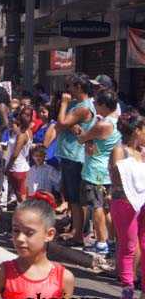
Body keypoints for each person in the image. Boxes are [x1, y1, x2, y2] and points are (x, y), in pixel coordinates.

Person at [75, 89, 122, 256]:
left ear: (104, 105)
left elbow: (82, 138)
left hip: (95, 171)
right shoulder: (116, 121)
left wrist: (79, 132)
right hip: (108, 170)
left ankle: (102, 243)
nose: (94, 105)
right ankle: (110, 241)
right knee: (106, 208)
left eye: (97, 103)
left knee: (97, 207)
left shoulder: (103, 124)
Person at [56, 73, 96, 246]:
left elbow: (62, 123)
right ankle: (75, 229)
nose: (67, 91)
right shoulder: (76, 104)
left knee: (76, 198)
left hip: (76, 156)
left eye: (70, 87)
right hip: (67, 154)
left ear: (79, 87)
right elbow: (61, 122)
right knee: (71, 196)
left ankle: (79, 233)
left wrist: (64, 104)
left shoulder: (83, 107)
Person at [109, 111, 145, 299]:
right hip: (124, 203)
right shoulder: (119, 151)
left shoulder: (143, 153)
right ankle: (127, 287)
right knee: (129, 246)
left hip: (143, 203)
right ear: (136, 130)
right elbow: (116, 178)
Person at [5, 106, 33, 203]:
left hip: (17, 167)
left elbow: (15, 154)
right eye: (23, 114)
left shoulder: (23, 135)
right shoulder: (26, 131)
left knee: (21, 196)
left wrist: (8, 167)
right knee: (19, 195)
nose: (25, 117)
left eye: (28, 115)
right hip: (21, 166)